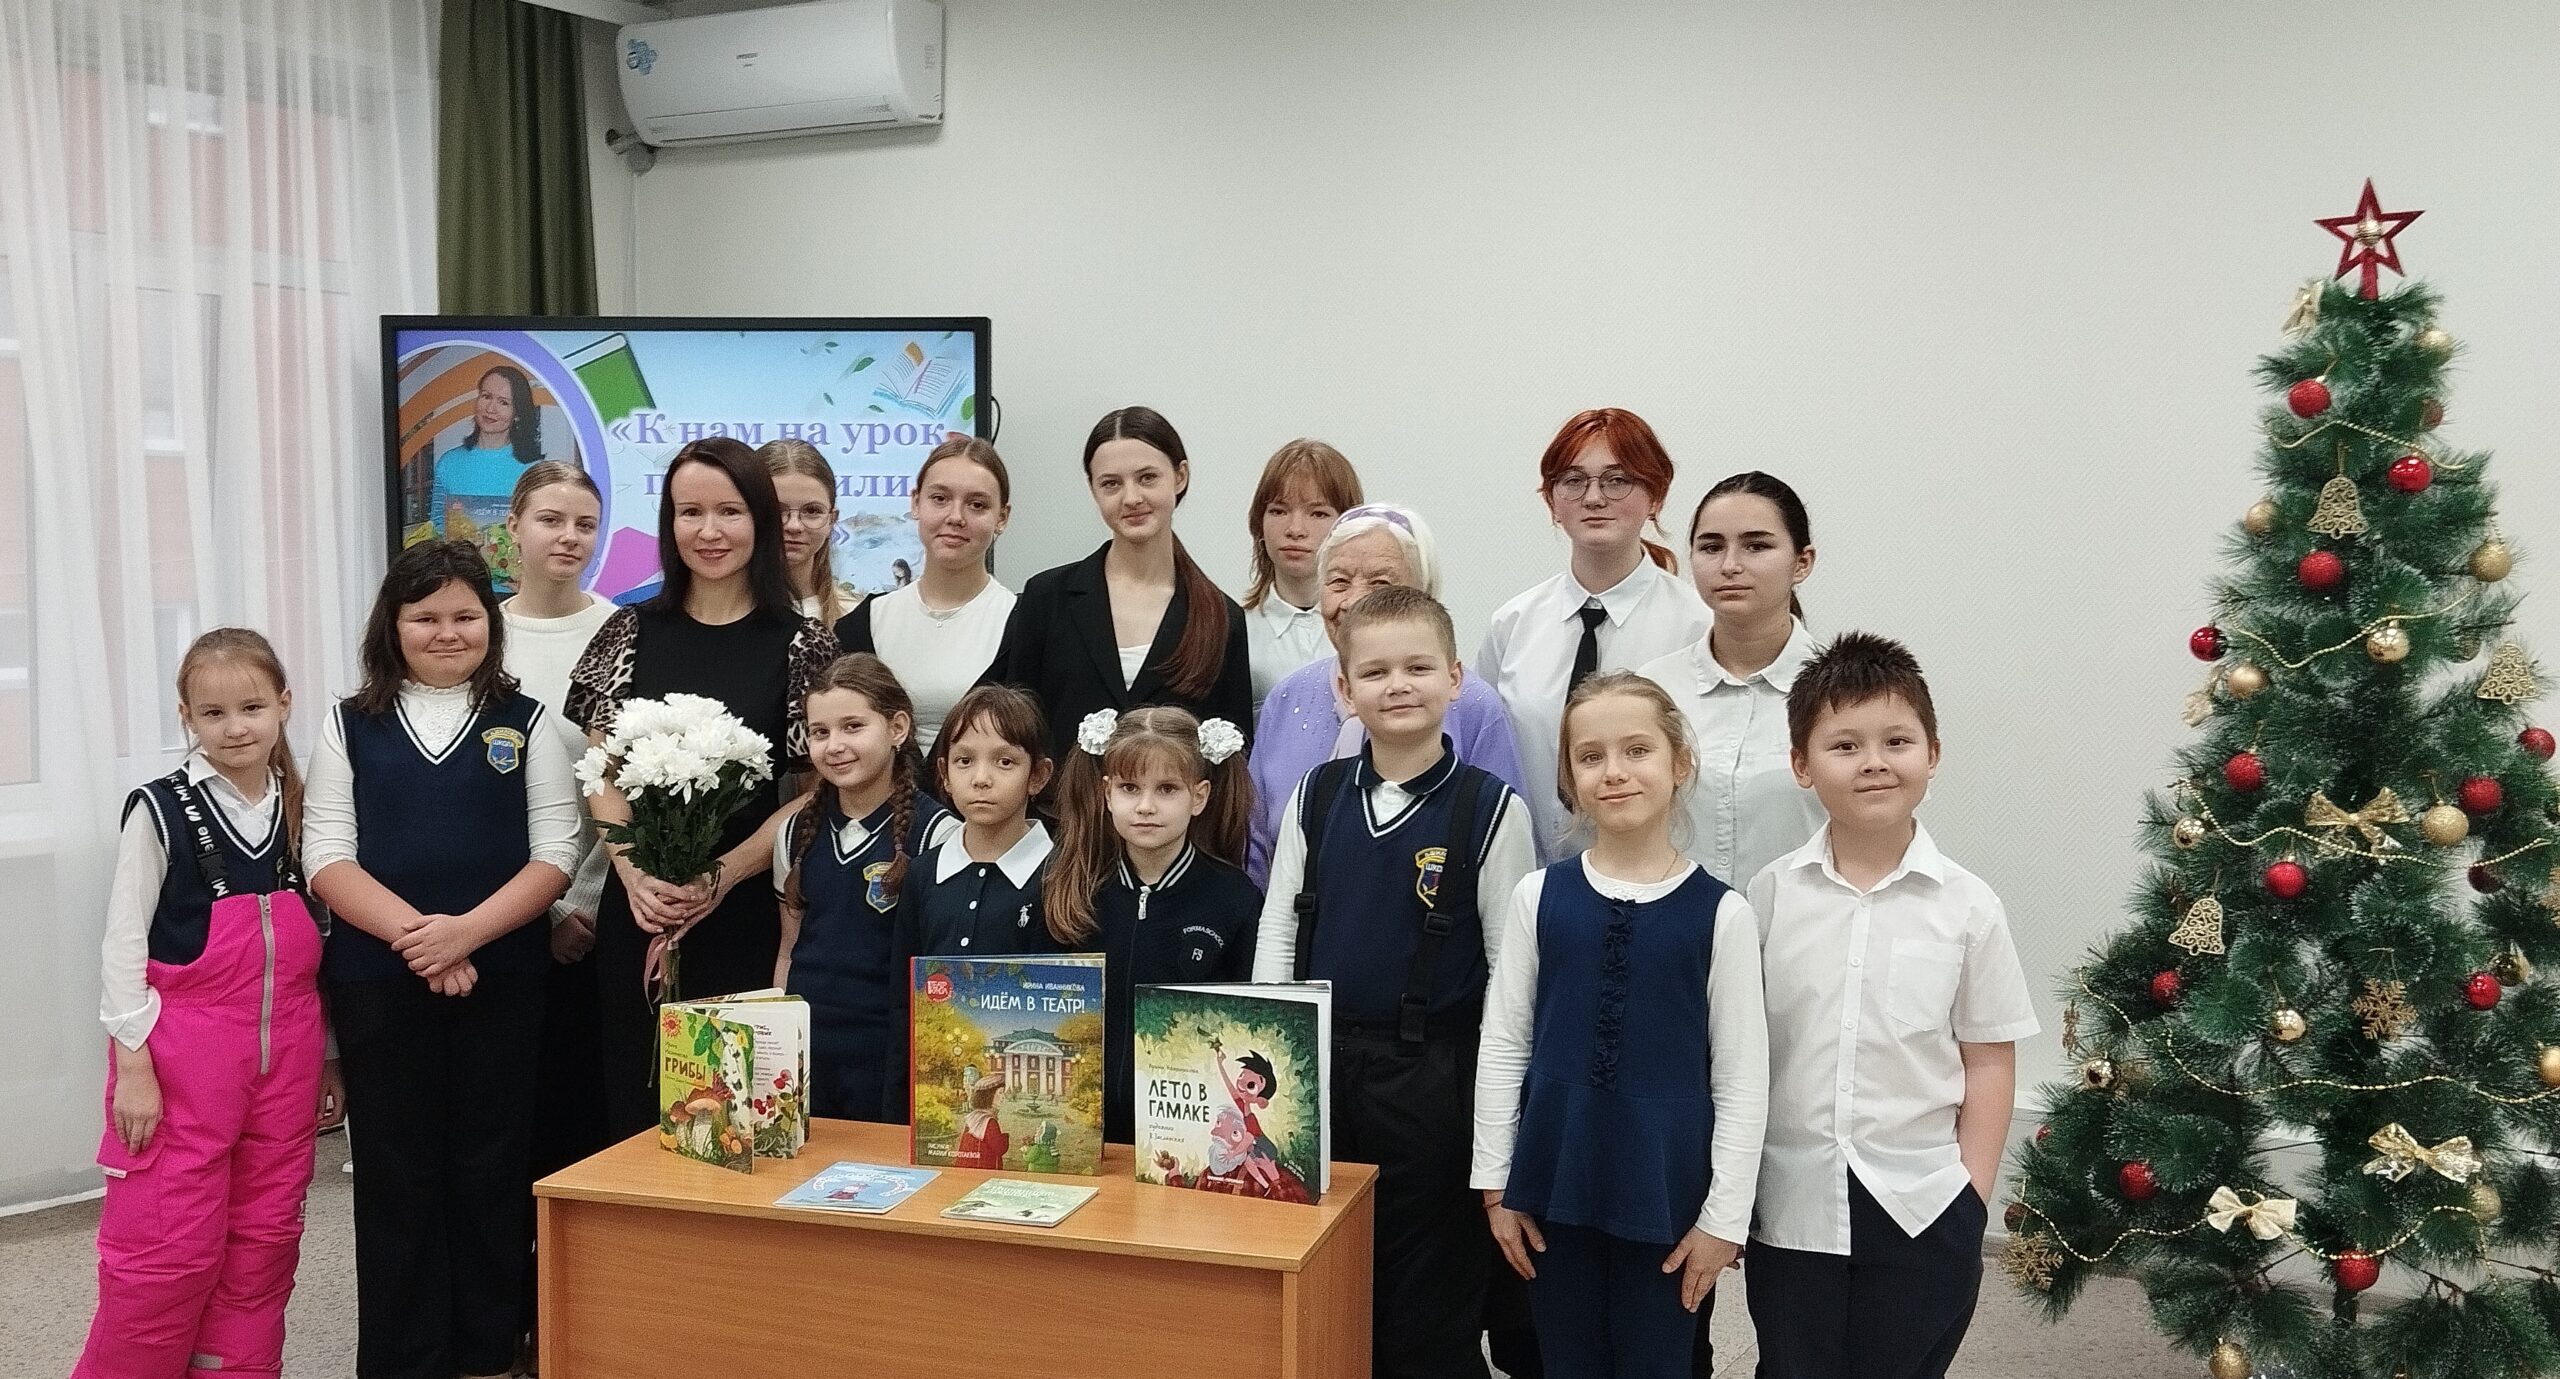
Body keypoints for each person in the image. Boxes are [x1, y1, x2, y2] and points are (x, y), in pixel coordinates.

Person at [305, 541, 584, 1379]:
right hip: (379, 982)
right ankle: (404, 1356)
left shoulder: (526, 720)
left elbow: (556, 852)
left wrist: (465, 935)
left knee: (491, 1163)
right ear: (392, 626)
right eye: (425, 616)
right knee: (396, 1170)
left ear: (490, 623)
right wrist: (423, 941)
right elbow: (326, 855)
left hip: (501, 978)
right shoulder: (348, 723)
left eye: (465, 615)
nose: (447, 631)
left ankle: (486, 1349)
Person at [1251, 585, 1536, 1379]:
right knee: (1327, 1289)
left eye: (1418, 667)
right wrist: (1272, 1061)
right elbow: (1278, 931)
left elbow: (1512, 978)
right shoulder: (1316, 795)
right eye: (1375, 671)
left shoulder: (1491, 810)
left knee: (1427, 1307)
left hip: (1433, 1084)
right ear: (1345, 689)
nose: (1398, 685)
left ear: (1455, 679)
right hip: (1318, 1074)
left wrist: (1499, 1130)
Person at [1746, 633, 2039, 1379]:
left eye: (1897, 741)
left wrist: (1970, 1198)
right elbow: (1746, 1053)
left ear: (1932, 753)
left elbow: (1989, 1059)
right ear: (1802, 764)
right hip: (1793, 1205)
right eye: (1845, 745)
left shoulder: (1969, 906)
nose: (1874, 761)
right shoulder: (1770, 895)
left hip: (1922, 1203)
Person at [1473, 673, 1767, 1379]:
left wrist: (1724, 1218)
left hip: (1666, 1192)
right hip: (1553, 1179)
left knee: (1658, 1361)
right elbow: (1504, 1042)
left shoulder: (1723, 914)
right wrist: (1495, 1182)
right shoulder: (1538, 895)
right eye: (1590, 756)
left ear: (1680, 763)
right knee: (1563, 1360)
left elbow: (1741, 1077)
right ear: (1570, 779)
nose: (1614, 771)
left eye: (1637, 750)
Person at [74, 629, 337, 1379]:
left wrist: (329, 1056)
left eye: (252, 707)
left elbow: (324, 947)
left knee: (263, 1246)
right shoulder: (158, 809)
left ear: (284, 704)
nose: (235, 727)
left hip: (288, 1060)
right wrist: (133, 1065)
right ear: (187, 717)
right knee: (165, 1252)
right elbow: (122, 941)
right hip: (181, 1065)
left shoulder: (308, 808)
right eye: (213, 713)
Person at [566, 437, 840, 1136]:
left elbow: (818, 789)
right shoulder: (627, 630)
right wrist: (635, 874)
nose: (709, 531)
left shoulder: (803, 643)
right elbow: (601, 770)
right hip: (640, 909)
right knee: (635, 1106)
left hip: (742, 909)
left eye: (729, 511)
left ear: (760, 521)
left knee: (733, 1118)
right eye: (690, 512)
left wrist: (722, 874)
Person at [1246, 502, 1527, 885]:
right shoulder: (1287, 697)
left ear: (1423, 594)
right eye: (1338, 582)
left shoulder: (1473, 705)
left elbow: (1504, 854)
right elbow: (1255, 847)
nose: (1355, 601)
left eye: (1381, 584)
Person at [1477, 409, 1707, 864]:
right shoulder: (1512, 625)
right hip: (1530, 876)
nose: (1594, 498)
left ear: (1656, 494)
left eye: (1617, 480)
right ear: (1552, 501)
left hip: (1661, 873)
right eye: (1573, 481)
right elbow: (1485, 757)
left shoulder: (1698, 627)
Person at [982, 406, 1252, 764]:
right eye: (1111, 483)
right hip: (1061, 801)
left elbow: (1233, 755)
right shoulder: (1046, 599)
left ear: (1180, 476)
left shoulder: (1221, 616)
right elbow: (1015, 731)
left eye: (1147, 478)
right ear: (1093, 489)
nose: (1131, 498)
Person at [1042, 705, 1260, 1143]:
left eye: (1166, 789)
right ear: (1106, 793)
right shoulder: (1073, 890)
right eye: (1129, 788)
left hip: (1188, 1135)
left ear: (1199, 797)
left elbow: (1249, 1031)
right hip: (1082, 1130)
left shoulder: (1234, 898)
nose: (1145, 806)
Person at [773, 653, 959, 1121]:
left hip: (891, 1062)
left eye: (853, 727)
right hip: (807, 1059)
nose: (834, 745)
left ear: (897, 728)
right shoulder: (793, 833)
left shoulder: (939, 835)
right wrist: (779, 1045)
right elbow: (788, 951)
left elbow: (944, 972)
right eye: (820, 732)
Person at [498, 462, 618, 1186]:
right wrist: (541, 909)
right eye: (551, 520)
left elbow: (622, 781)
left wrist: (584, 902)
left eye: (584, 524)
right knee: (513, 1117)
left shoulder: (622, 630)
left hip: (600, 910)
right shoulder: (479, 635)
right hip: (500, 912)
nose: (569, 537)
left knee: (586, 1111)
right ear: (514, 526)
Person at [1638, 473, 1827, 916]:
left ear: (1802, 562)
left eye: (1756, 546)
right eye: (1711, 547)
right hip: (1676, 935)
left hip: (1804, 933)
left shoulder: (1844, 694)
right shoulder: (1654, 690)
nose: (1730, 565)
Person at [883, 685, 1060, 1113]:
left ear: (1038, 776)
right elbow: (903, 1005)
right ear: (943, 774)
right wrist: (895, 1113)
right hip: (934, 1100)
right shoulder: (923, 873)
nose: (981, 778)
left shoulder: (1061, 875)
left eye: (1005, 762)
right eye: (965, 761)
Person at [837, 435, 1017, 753]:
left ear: (1001, 517)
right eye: (940, 499)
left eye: (977, 505)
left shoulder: (1026, 624)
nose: (955, 517)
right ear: (915, 502)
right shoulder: (864, 623)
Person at [1238, 438, 1362, 710]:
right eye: (1278, 511)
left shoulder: (1371, 628)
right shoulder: (1235, 632)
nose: (1295, 529)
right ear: (1259, 522)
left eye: (1317, 514)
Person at [428, 365, 542, 577]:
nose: (491, 408)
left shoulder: (533, 470)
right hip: (461, 581)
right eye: (486, 396)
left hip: (516, 586)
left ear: (517, 413)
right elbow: (438, 523)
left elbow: (539, 530)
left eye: (503, 402)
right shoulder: (449, 462)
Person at [759, 437, 857, 627]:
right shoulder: (715, 615)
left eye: (812, 511)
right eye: (777, 510)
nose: (794, 526)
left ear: (831, 520)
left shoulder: (855, 618)